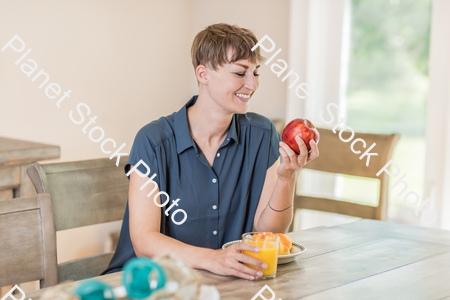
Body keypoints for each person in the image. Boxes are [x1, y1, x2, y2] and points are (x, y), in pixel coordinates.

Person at [101, 23, 319, 280]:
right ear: (203, 74)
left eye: (256, 73)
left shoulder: (262, 134)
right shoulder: (153, 140)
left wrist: (287, 177)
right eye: (240, 73)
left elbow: (268, 232)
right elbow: (145, 242)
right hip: (149, 283)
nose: (252, 84)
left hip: (222, 282)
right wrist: (213, 258)